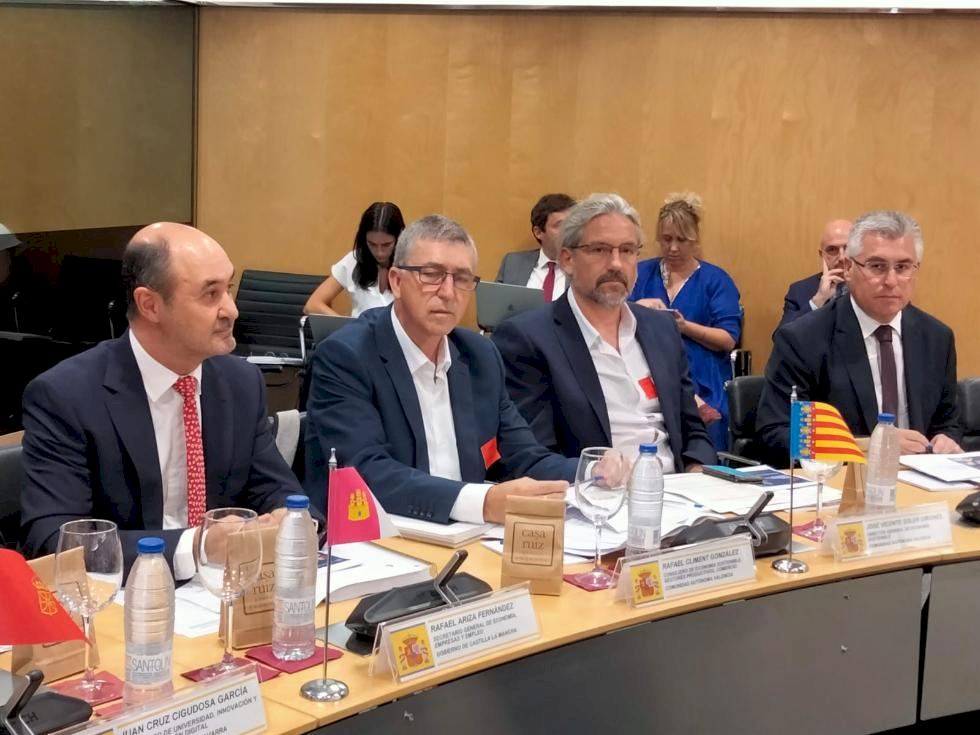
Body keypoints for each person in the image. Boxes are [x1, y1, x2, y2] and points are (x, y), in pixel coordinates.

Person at [20, 222, 317, 576]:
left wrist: (291, 518)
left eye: (229, 289)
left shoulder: (240, 382)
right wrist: (195, 546)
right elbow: (54, 541)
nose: (231, 310)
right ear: (150, 305)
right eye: (211, 294)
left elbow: (273, 488)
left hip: (223, 590)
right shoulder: (67, 395)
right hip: (125, 594)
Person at [305, 214, 576, 524]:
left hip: (467, 536)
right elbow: (365, 472)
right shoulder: (346, 356)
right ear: (396, 281)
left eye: (461, 278)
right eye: (431, 275)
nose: (448, 292)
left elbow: (524, 455)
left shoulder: (480, 356)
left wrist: (592, 472)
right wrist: (483, 502)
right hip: (378, 536)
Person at [492, 194, 716, 471]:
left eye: (627, 250)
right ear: (567, 259)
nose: (616, 264)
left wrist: (697, 472)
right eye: (600, 250)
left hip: (677, 488)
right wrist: (593, 471)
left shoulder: (662, 329)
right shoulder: (529, 339)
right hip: (596, 490)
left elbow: (692, 429)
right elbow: (532, 456)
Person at [758, 210, 962, 463]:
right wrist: (865, 447)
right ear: (848, 268)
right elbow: (775, 433)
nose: (891, 281)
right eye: (877, 266)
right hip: (844, 480)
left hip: (919, 479)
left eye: (902, 267)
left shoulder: (937, 338)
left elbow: (948, 422)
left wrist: (945, 440)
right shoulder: (803, 339)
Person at [630, 193, 741, 451]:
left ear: (695, 240)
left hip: (703, 377)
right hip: (647, 374)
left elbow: (727, 339)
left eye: (681, 240)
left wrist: (683, 327)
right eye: (666, 239)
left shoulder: (716, 280)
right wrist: (636, 308)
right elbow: (612, 317)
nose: (673, 248)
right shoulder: (640, 273)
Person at [304, 201, 405, 317]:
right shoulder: (354, 260)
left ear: (399, 238)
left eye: (386, 245)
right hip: (360, 328)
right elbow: (312, 305)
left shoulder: (411, 262)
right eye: (372, 244)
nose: (379, 252)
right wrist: (348, 326)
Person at [495, 193, 576, 301]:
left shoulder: (582, 267)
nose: (567, 231)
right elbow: (495, 305)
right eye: (559, 225)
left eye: (570, 225)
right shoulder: (512, 263)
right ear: (538, 232)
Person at [777, 219, 853, 330]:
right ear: (822, 255)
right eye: (832, 250)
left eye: (848, 248)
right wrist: (818, 300)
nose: (842, 257)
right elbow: (781, 337)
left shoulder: (873, 286)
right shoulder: (799, 291)